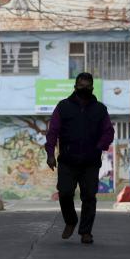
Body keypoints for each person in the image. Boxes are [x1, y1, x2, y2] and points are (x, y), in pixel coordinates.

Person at [44, 72, 115, 244]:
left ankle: (86, 232)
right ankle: (70, 221)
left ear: (92, 87)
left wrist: (99, 146)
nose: (84, 88)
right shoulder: (63, 107)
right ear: (75, 87)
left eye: (87, 86)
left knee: (89, 197)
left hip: (90, 162)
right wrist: (50, 154)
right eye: (81, 85)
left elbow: (108, 131)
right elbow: (53, 131)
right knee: (65, 193)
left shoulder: (100, 109)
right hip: (67, 160)